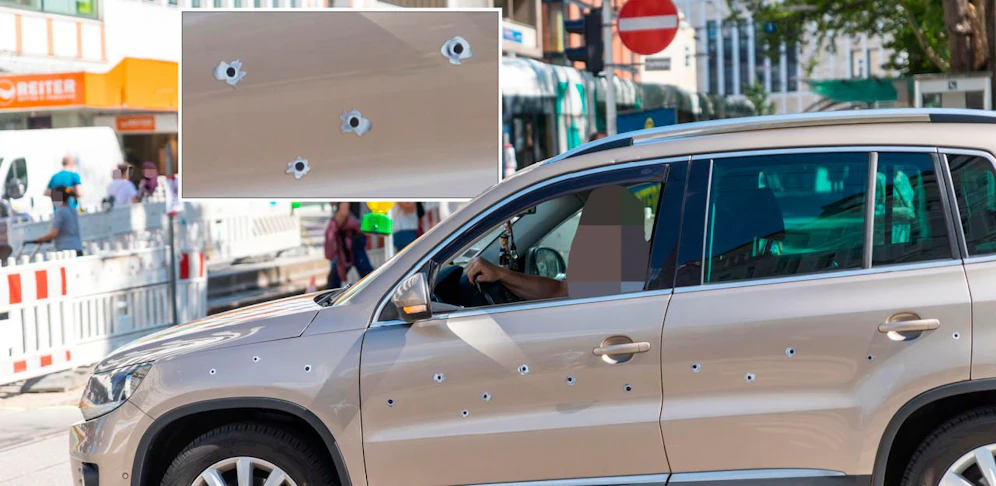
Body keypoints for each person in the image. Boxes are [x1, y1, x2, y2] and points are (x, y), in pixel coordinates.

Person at [325, 202, 374, 289]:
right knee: (363, 269)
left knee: (337, 274)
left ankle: (376, 288)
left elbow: (344, 212)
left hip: (350, 237)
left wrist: (334, 225)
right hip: (355, 235)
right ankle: (375, 287)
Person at [30, 186, 83, 256]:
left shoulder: (60, 212)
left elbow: (54, 233)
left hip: (66, 251)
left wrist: (40, 239)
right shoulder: (73, 211)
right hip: (77, 248)